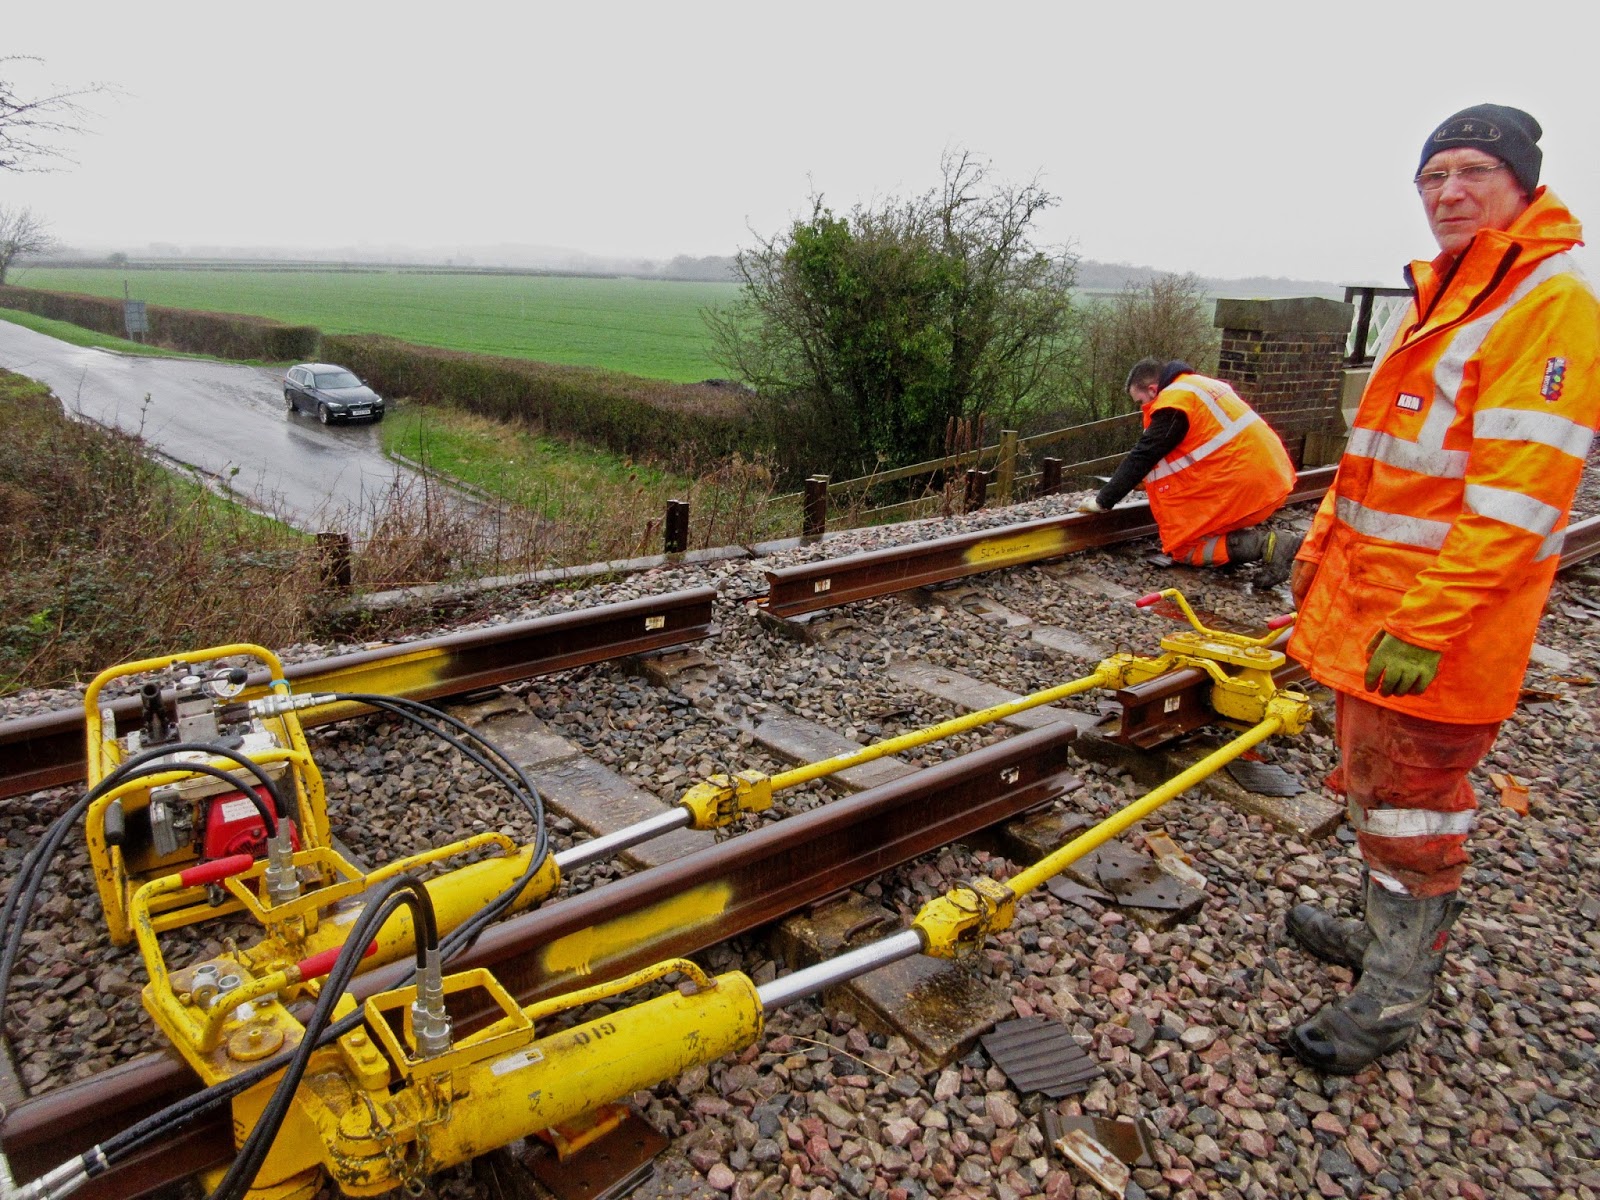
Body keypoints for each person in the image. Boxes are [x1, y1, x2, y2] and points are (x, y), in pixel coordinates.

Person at [1284, 103, 1600, 1074]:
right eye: (1433, 175)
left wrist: (1425, 625)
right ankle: (1379, 930)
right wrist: (1315, 565)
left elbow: (1511, 502)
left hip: (1436, 634)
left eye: (1471, 172)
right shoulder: (1452, 297)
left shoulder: (1544, 306)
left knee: (1415, 800)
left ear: (1521, 184)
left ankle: (1393, 991)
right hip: (1377, 613)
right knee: (1379, 789)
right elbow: (1380, 465)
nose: (1448, 192)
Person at [1078, 359, 1300, 585]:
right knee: (1201, 524)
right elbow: (1196, 450)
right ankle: (1244, 545)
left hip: (1243, 484)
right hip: (1269, 474)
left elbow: (1144, 454)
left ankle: (1267, 544)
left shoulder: (1174, 403)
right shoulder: (1200, 386)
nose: (1142, 407)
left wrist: (1103, 500)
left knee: (1185, 548)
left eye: (1141, 401)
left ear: (1153, 390)